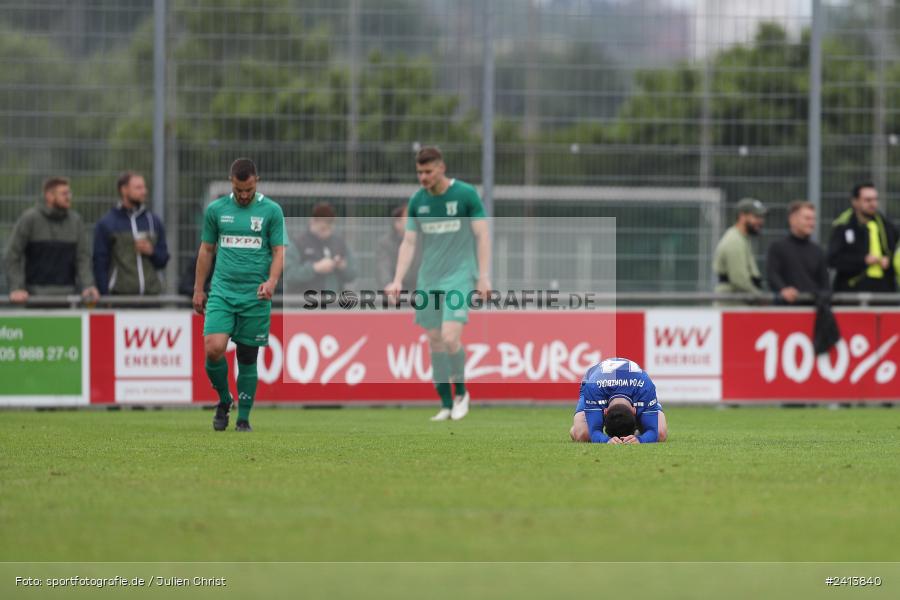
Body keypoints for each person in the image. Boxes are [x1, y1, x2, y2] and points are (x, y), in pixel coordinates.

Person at [385, 146, 491, 422]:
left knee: (450, 337)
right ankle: (445, 403)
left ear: (441, 168)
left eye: (428, 171)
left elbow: (482, 235)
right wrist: (397, 279)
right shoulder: (417, 201)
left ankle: (461, 394)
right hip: (429, 278)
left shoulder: (465, 194)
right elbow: (409, 242)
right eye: (419, 172)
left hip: (459, 275)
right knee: (434, 340)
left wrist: (483, 276)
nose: (423, 177)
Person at [193, 158, 286, 432]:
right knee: (213, 348)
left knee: (246, 356)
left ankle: (243, 419)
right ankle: (224, 399)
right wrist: (198, 289)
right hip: (222, 292)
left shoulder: (272, 211)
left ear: (257, 181)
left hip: (255, 296)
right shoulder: (216, 210)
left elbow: (279, 251)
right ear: (231, 183)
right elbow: (206, 250)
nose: (244, 195)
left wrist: (272, 281)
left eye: (248, 189)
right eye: (238, 189)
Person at [4, 177, 99, 304]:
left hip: (68, 297)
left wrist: (88, 285)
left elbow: (83, 258)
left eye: (69, 193)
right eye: (64, 194)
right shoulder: (30, 219)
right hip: (34, 298)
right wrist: (16, 288)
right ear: (49, 196)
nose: (69, 197)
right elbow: (12, 255)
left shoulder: (75, 221)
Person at [93, 171, 170, 296]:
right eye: (138, 187)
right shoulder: (106, 223)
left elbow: (163, 260)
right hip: (120, 298)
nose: (144, 191)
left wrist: (152, 252)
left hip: (152, 298)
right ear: (124, 190)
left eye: (144, 187)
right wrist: (105, 297)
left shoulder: (154, 221)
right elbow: (100, 264)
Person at [569, 357, 668, 444]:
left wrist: (639, 439)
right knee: (583, 434)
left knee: (660, 433)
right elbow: (594, 431)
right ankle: (576, 428)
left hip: (636, 389)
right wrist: (606, 440)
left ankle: (634, 434)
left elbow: (654, 431)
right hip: (593, 383)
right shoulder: (592, 387)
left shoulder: (645, 387)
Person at [828, 182, 898, 293]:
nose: (873, 204)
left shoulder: (887, 226)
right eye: (868, 200)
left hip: (883, 290)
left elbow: (895, 254)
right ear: (855, 202)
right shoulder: (843, 225)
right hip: (852, 291)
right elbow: (832, 259)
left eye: (875, 199)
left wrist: (888, 261)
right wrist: (863, 260)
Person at [285, 202, 357, 295]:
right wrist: (315, 268)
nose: (327, 228)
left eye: (330, 224)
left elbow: (352, 274)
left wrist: (342, 266)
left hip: (333, 302)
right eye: (323, 227)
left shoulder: (340, 243)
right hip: (303, 301)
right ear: (313, 221)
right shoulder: (298, 243)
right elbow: (289, 275)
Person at [766, 200, 829, 305]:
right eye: (807, 218)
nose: (812, 223)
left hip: (813, 310)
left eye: (813, 219)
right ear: (792, 219)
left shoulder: (818, 251)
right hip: (786, 310)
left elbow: (825, 284)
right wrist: (783, 289)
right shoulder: (778, 247)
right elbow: (772, 275)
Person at [712, 197, 767, 305]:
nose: (760, 221)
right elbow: (739, 279)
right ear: (742, 216)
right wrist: (759, 297)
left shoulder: (741, 238)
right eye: (756, 217)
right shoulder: (735, 241)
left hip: (738, 304)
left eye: (761, 217)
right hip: (733, 305)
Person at [376, 205, 419, 291]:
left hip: (419, 289)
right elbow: (383, 267)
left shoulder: (420, 240)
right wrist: (388, 285)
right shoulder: (385, 243)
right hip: (396, 291)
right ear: (397, 223)